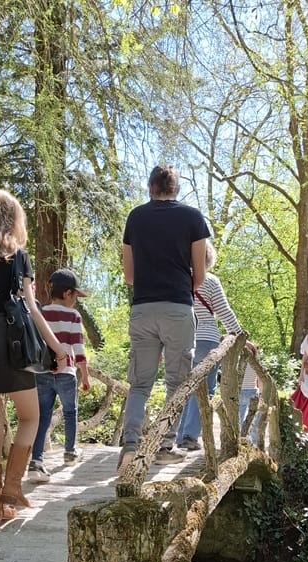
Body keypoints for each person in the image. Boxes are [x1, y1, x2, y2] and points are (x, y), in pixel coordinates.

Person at [0, 189, 68, 527]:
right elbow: (32, 309)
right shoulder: (18, 257)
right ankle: (11, 487)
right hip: (13, 347)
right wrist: (57, 347)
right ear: (14, 219)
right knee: (30, 418)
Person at [119, 164, 210, 471]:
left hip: (142, 309)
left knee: (139, 384)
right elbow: (200, 276)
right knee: (176, 383)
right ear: (177, 189)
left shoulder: (135, 217)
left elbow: (129, 276)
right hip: (178, 308)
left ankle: (130, 445)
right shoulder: (193, 217)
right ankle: (163, 445)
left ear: (150, 188)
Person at [176, 239, 242, 451]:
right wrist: (241, 336)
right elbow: (224, 312)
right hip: (206, 340)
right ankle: (189, 436)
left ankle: (177, 435)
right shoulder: (210, 281)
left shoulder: (177, 279)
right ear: (209, 258)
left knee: (183, 389)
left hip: (181, 339)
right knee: (204, 389)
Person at [29, 268, 91, 482]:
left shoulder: (40, 313)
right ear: (67, 293)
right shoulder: (73, 316)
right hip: (66, 372)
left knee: (42, 416)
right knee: (70, 412)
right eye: (75, 296)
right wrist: (85, 375)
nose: (75, 301)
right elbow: (78, 348)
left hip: (43, 372)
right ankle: (70, 451)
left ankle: (36, 461)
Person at [239, 342, 262, 445]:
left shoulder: (239, 362)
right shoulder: (256, 363)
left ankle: (240, 440)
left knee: (240, 418)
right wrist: (261, 393)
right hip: (252, 392)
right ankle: (252, 442)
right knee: (253, 419)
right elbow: (260, 379)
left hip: (242, 392)